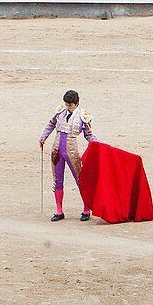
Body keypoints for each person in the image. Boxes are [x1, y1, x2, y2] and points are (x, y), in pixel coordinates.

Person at [39, 89, 96, 222]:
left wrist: (100, 144)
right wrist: (43, 136)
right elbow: (51, 124)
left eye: (70, 105)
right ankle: (59, 211)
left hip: (71, 151)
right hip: (56, 150)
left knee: (80, 179)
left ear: (76, 103)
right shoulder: (60, 112)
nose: (68, 107)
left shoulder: (83, 116)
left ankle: (86, 209)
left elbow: (89, 135)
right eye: (66, 104)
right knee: (57, 180)